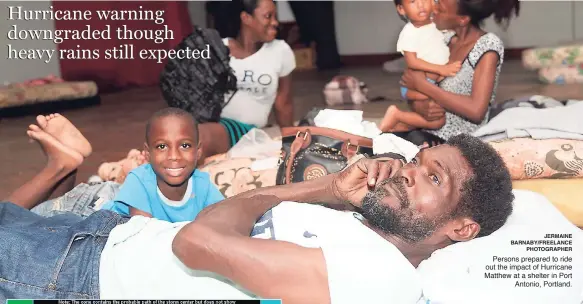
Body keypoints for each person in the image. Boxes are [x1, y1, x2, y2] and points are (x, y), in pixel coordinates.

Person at [1, 133, 514, 303]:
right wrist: (334, 189)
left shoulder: (381, 278)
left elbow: (198, 244)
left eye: (433, 179)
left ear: (461, 228)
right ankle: (61, 171)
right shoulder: (366, 230)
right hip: (115, 237)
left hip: (82, 275)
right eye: (416, 163)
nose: (406, 173)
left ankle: (60, 170)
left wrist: (326, 191)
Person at [395, 0, 520, 146]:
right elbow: (410, 82)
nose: (432, 9)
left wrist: (424, 87)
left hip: (458, 141)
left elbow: (476, 110)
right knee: (378, 143)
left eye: (440, 9)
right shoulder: (444, 40)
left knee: (399, 151)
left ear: (462, 19)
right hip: (427, 129)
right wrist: (419, 107)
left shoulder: (487, 45)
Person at [198, 0, 296, 162]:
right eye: (268, 16)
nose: (275, 22)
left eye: (275, 16)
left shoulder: (280, 51)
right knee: (179, 131)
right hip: (211, 122)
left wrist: (291, 141)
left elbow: (283, 102)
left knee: (200, 137)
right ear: (246, 18)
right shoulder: (217, 49)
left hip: (243, 130)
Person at [100, 108, 225, 222]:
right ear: (148, 153)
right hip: (101, 230)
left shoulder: (202, 184)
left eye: (185, 146)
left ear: (198, 152)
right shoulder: (139, 181)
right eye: (162, 146)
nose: (174, 156)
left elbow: (223, 219)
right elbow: (142, 236)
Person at [379, 0, 461, 133]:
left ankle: (399, 127)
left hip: (430, 83)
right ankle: (396, 114)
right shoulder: (410, 32)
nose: (420, 5)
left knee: (434, 114)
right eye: (412, 1)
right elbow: (412, 62)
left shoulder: (438, 24)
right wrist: (441, 69)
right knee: (438, 121)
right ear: (401, 9)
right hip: (416, 85)